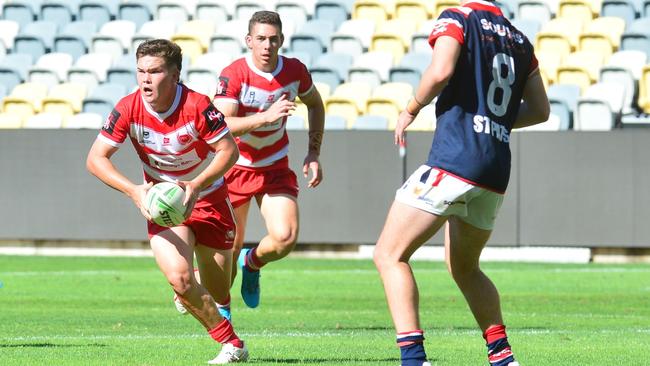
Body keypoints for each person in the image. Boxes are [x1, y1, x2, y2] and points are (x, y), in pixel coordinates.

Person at [372, 1, 550, 366]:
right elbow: (541, 110)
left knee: (389, 255)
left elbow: (440, 71)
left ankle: (413, 358)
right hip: (495, 169)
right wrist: (490, 121)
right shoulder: (520, 40)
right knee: (465, 267)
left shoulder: (458, 17)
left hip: (455, 160)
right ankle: (501, 356)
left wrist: (410, 108)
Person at [86, 39, 249, 364]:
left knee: (219, 292)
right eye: (141, 71)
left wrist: (195, 186)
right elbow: (95, 159)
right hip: (161, 203)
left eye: (156, 71)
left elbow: (230, 150)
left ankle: (201, 290)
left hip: (209, 199)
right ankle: (233, 345)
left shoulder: (197, 105)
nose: (146, 79)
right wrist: (135, 191)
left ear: (175, 75)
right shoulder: (128, 107)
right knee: (179, 278)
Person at [212, 10, 325, 309]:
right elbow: (220, 122)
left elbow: (315, 104)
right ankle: (224, 320)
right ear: (249, 41)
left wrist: (314, 152)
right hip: (234, 166)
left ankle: (253, 263)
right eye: (260, 39)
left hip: (273, 165)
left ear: (282, 41)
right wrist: (265, 117)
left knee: (285, 238)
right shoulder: (234, 73)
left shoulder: (294, 72)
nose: (267, 46)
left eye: (273, 40)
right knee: (228, 252)